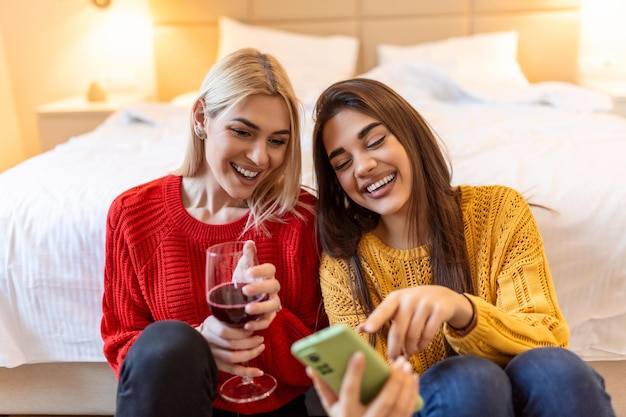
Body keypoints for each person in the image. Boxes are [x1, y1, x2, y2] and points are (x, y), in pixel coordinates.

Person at [310, 78, 616, 417]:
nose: (363, 166)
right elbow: (372, 397)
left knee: (556, 370)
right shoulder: (345, 265)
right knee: (470, 379)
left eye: (376, 141)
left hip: (529, 391)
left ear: (410, 135)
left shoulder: (499, 210)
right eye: (342, 164)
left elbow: (546, 338)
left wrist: (464, 312)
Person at [101, 48, 327, 417]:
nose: (259, 157)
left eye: (277, 140)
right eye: (242, 131)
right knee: (171, 343)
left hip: (276, 409)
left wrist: (271, 320)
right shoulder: (133, 214)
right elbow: (122, 346)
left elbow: (321, 362)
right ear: (202, 117)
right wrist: (196, 344)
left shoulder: (301, 218)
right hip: (181, 405)